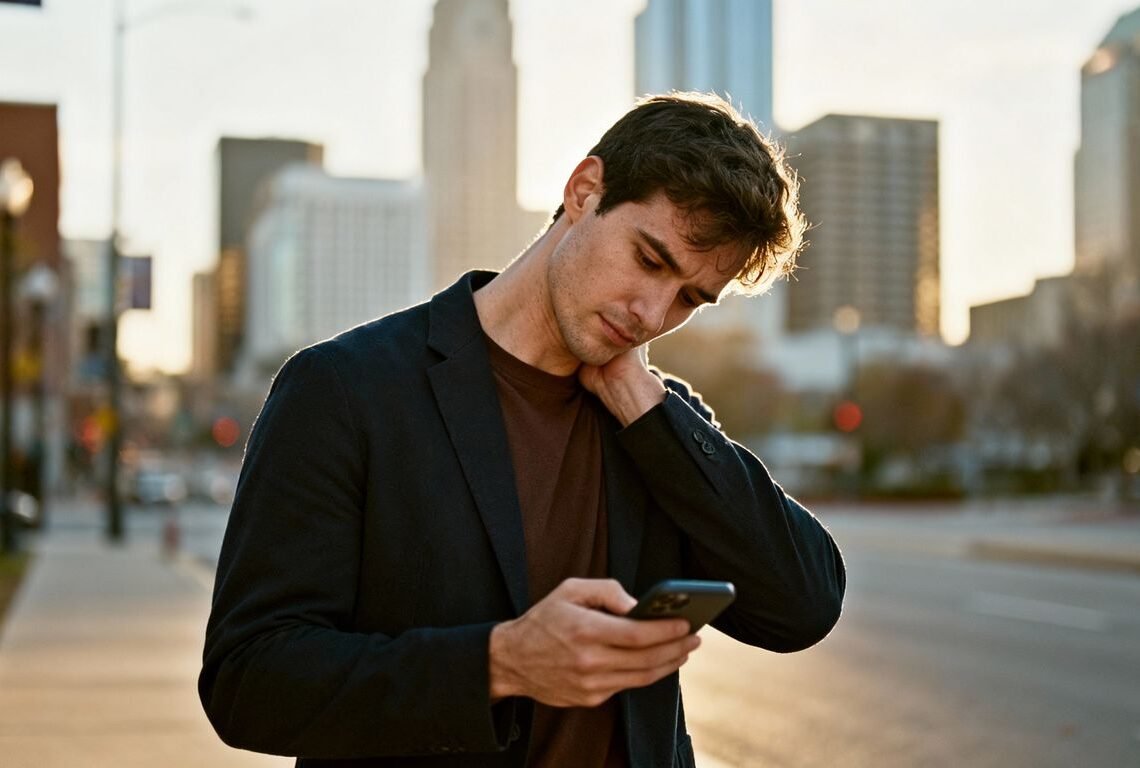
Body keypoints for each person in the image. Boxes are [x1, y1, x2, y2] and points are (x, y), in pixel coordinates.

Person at [199, 92, 846, 767]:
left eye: (690, 298)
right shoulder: (344, 390)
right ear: (584, 191)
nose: (653, 312)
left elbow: (802, 604)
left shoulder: (654, 425)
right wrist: (498, 664)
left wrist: (647, 405)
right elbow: (249, 681)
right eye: (650, 261)